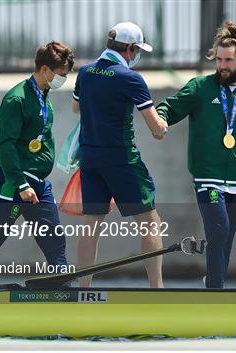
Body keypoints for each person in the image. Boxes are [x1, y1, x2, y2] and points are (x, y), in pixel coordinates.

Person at [156, 21, 236, 288]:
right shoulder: (200, 87)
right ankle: (215, 289)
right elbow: (168, 108)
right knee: (219, 230)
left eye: (228, 60)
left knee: (225, 238)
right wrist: (160, 121)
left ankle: (215, 284)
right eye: (219, 60)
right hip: (208, 177)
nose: (222, 65)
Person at [0, 41, 74, 288]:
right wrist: (21, 183)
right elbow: (5, 146)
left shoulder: (42, 97)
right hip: (16, 185)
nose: (64, 80)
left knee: (55, 241)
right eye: (61, 75)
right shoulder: (17, 99)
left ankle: (67, 294)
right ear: (45, 69)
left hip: (39, 185)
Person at [72, 22, 168, 288]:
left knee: (91, 224)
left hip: (90, 159)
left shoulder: (86, 72)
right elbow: (155, 127)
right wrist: (162, 127)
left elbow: (75, 108)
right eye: (137, 50)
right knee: (150, 221)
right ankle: (157, 290)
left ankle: (84, 290)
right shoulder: (131, 78)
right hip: (122, 159)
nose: (137, 56)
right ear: (129, 49)